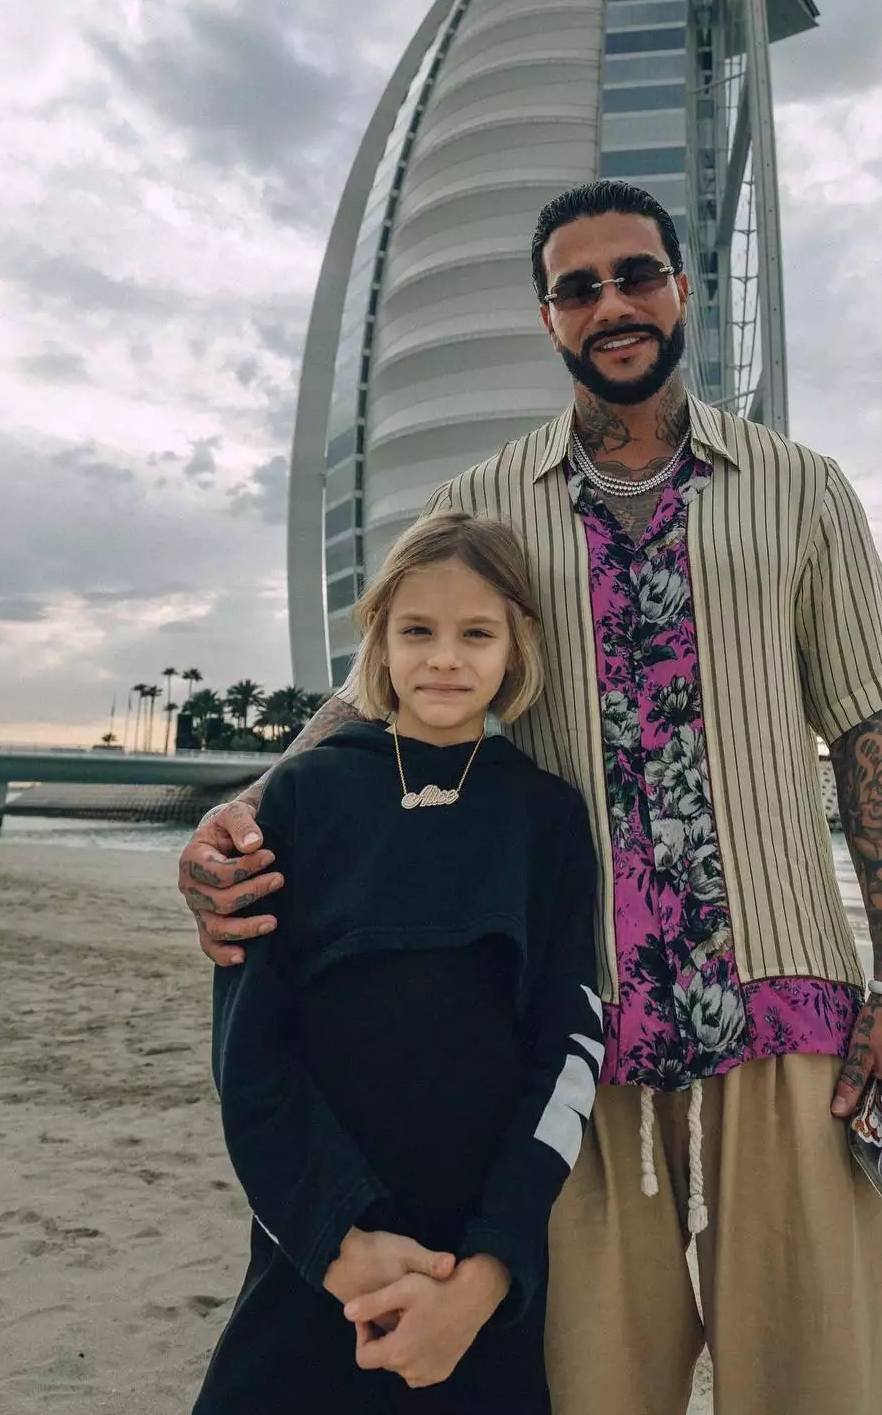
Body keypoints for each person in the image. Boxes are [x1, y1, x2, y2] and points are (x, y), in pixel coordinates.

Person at [181, 179, 882, 1415]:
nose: (612, 304)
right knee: (595, 1394)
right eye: (577, 288)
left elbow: (872, 734)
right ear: (549, 317)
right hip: (580, 1055)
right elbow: (375, 684)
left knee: (815, 1383)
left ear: (683, 289)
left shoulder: (804, 490)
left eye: (636, 275)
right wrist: (241, 815)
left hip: (788, 1013)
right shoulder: (484, 504)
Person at [192, 513, 602, 1415]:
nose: (444, 659)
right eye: (418, 630)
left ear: (516, 648)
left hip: (474, 1273)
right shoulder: (302, 795)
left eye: (476, 634)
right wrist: (337, 1245)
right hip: (314, 1256)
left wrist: (488, 1273)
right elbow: (247, 1049)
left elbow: (569, 1053)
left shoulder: (547, 818)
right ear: (379, 642)